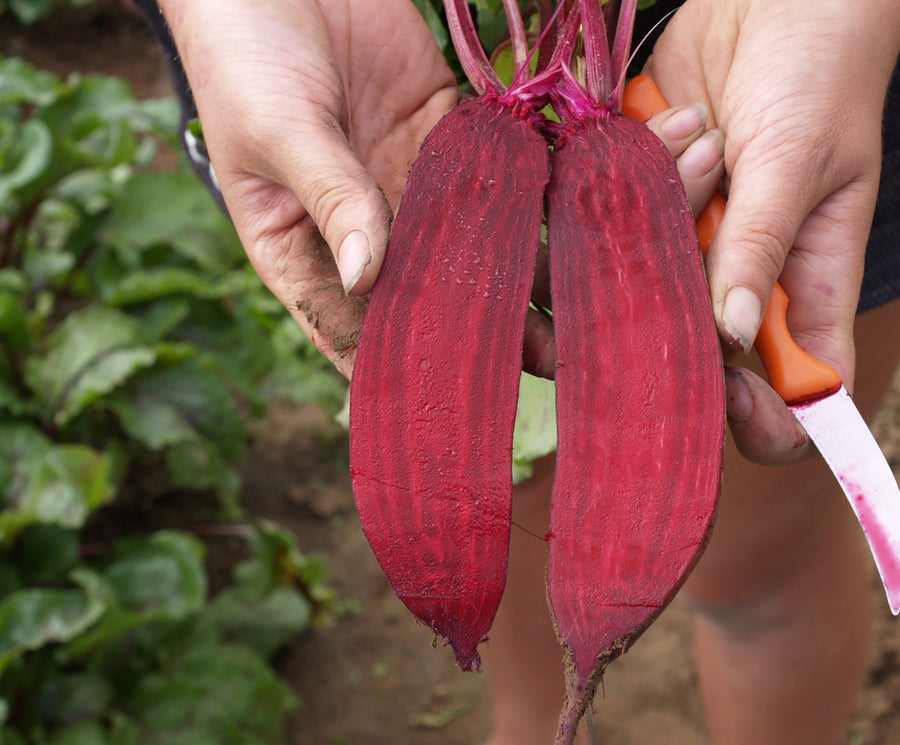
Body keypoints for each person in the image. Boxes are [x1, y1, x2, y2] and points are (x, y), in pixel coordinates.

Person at [144, 1, 900, 743]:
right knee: (475, 468)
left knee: (759, 559)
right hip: (349, 43)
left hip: (751, 51)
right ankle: (539, 720)